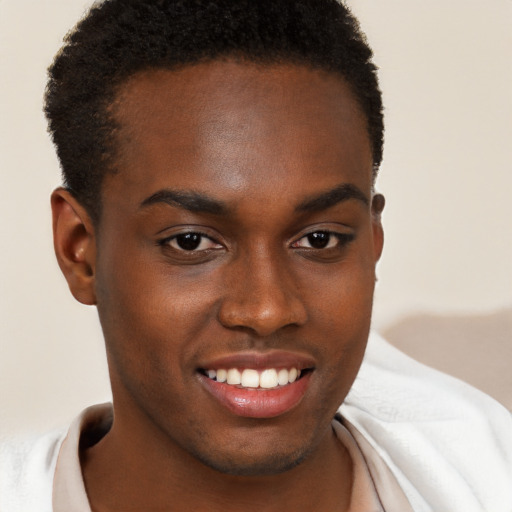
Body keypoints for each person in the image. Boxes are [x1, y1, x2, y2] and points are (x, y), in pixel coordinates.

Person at [1, 0, 511, 510]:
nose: (268, 310)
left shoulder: (487, 478)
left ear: (373, 243)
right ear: (79, 251)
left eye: (319, 239)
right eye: (190, 242)